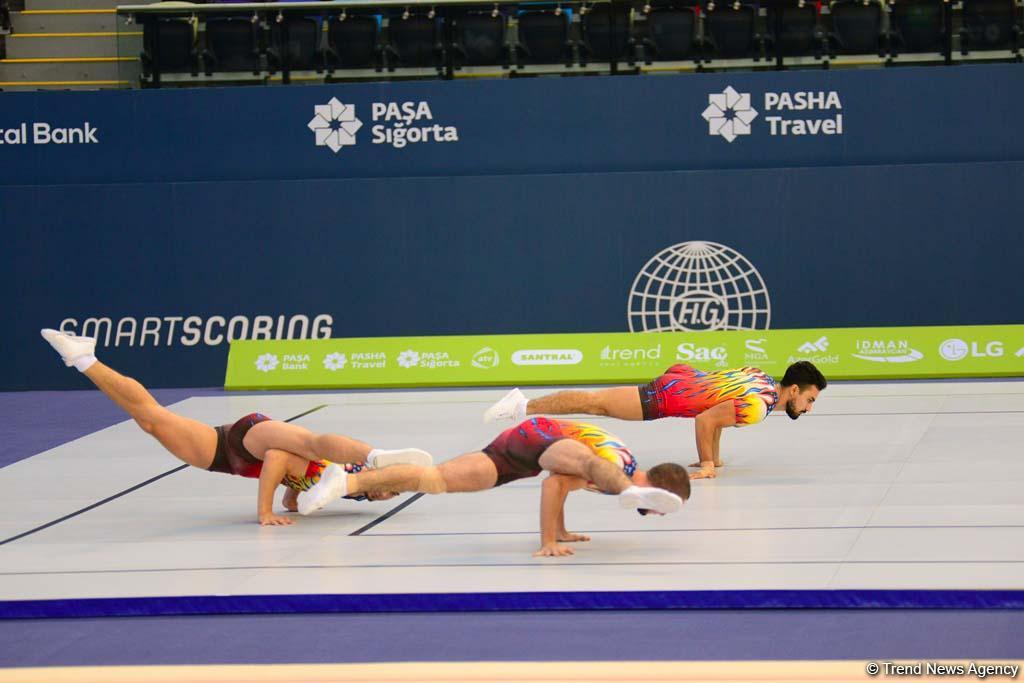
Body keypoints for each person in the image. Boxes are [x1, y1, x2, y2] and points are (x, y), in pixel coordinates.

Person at [40, 329, 432, 525]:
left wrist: (293, 502)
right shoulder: (347, 475)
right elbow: (279, 456)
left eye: (389, 497)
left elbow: (291, 485)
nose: (386, 498)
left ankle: (84, 359)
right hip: (255, 439)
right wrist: (264, 512)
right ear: (380, 478)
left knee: (152, 420)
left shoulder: (350, 493)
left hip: (222, 454)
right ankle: (375, 451)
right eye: (391, 490)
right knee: (313, 443)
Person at [299, 417, 691, 557]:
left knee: (434, 480)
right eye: (664, 505)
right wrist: (547, 542)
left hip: (524, 453)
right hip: (542, 438)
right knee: (593, 465)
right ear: (659, 491)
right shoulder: (620, 465)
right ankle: (629, 494)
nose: (659, 514)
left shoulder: (622, 465)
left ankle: (349, 479)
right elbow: (556, 483)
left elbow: (562, 485)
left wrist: (561, 530)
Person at [483, 361, 826, 480]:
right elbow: (707, 420)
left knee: (597, 404)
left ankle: (523, 406)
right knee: (596, 404)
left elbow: (720, 413)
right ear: (794, 389)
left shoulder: (762, 378)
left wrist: (716, 458)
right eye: (809, 399)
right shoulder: (760, 407)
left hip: (682, 381)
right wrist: (707, 463)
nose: (809, 408)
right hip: (668, 396)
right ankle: (522, 405)